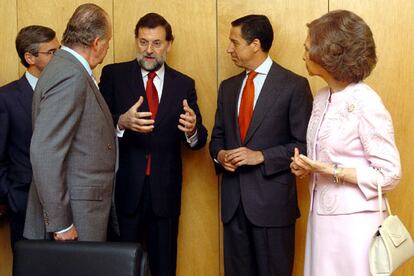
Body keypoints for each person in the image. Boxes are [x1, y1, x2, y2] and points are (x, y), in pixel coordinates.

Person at [290, 10, 401, 276]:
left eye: (307, 48)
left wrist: (331, 170)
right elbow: (324, 156)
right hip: (322, 220)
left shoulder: (366, 102)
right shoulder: (320, 97)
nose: (303, 54)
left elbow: (390, 174)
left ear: (328, 54)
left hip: (355, 225)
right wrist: (307, 167)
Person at [99, 12, 207, 276]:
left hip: (165, 194)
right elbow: (94, 126)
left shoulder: (184, 84)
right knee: (121, 268)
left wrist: (192, 130)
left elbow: (198, 139)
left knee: (164, 267)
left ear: (169, 44)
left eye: (156, 43)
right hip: (124, 192)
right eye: (143, 42)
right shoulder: (113, 75)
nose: (149, 50)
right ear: (136, 41)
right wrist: (121, 122)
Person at [210, 14, 313, 276]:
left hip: (273, 207)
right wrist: (220, 155)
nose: (228, 49)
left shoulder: (294, 86)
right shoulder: (228, 87)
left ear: (255, 44)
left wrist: (261, 156)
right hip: (233, 208)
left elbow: (304, 146)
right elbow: (217, 138)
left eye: (234, 42)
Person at [23, 3, 117, 241]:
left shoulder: (65, 67)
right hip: (75, 215)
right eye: (108, 41)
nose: (107, 47)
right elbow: (45, 151)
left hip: (80, 210)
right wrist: (62, 224)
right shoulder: (70, 75)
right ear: (96, 42)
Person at [0, 25, 59, 250]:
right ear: (29, 57)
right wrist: (10, 195)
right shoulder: (6, 98)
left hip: (64, 205)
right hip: (23, 203)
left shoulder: (65, 92)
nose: (58, 57)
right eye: (51, 52)